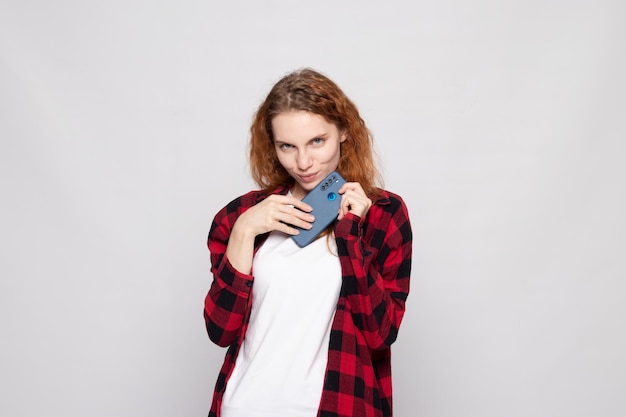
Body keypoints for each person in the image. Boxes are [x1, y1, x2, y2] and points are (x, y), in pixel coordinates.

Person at [204, 68, 412, 417]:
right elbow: (220, 330)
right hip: (243, 406)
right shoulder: (241, 216)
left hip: (336, 405)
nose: (303, 162)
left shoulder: (383, 214)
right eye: (287, 146)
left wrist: (351, 234)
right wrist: (243, 231)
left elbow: (380, 333)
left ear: (343, 131)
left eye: (317, 141)